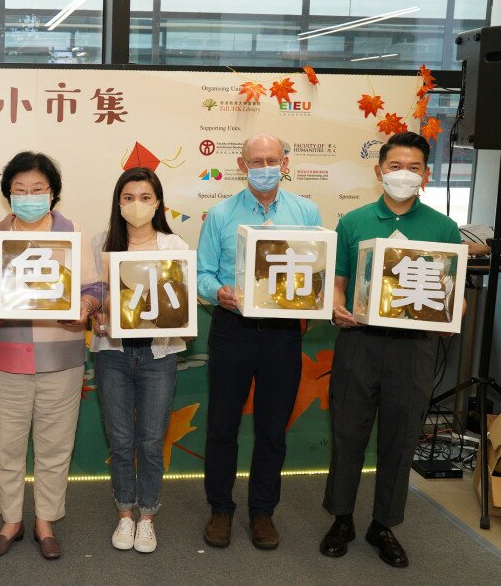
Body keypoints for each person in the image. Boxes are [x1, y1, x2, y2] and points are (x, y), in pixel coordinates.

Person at [322, 131, 462, 568]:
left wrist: (447, 318)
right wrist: (336, 308)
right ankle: (341, 518)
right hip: (359, 344)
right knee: (347, 434)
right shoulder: (354, 221)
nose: (404, 175)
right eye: (396, 166)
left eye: (414, 167)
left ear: (426, 174)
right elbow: (339, 283)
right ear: (379, 171)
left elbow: (449, 291)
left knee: (400, 440)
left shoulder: (442, 227)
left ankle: (383, 524)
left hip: (413, 351)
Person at [0, 152, 101, 560]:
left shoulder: (72, 232)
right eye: (19, 190)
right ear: (9, 195)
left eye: (37, 190)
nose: (28, 197)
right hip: (6, 356)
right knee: (6, 446)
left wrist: (85, 307)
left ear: (52, 193)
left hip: (60, 357)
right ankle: (11, 520)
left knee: (55, 446)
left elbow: (94, 289)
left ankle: (45, 521)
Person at [196, 133, 322, 549]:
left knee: (273, 427)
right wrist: (219, 294)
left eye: (273, 158)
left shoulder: (306, 212)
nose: (265, 165)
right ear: (241, 164)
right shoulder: (220, 214)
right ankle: (220, 508)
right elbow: (202, 275)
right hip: (233, 330)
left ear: (285, 162)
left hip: (283, 335)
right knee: (222, 426)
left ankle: (262, 512)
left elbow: (317, 271)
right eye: (257, 160)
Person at [90, 167, 189, 554]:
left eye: (145, 198)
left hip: (157, 354)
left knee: (150, 441)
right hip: (112, 353)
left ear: (158, 202)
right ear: (118, 203)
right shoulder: (102, 243)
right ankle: (124, 514)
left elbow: (179, 305)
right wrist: (96, 318)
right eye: (128, 198)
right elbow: (92, 299)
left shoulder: (174, 246)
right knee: (120, 440)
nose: (137, 205)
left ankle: (147, 516)